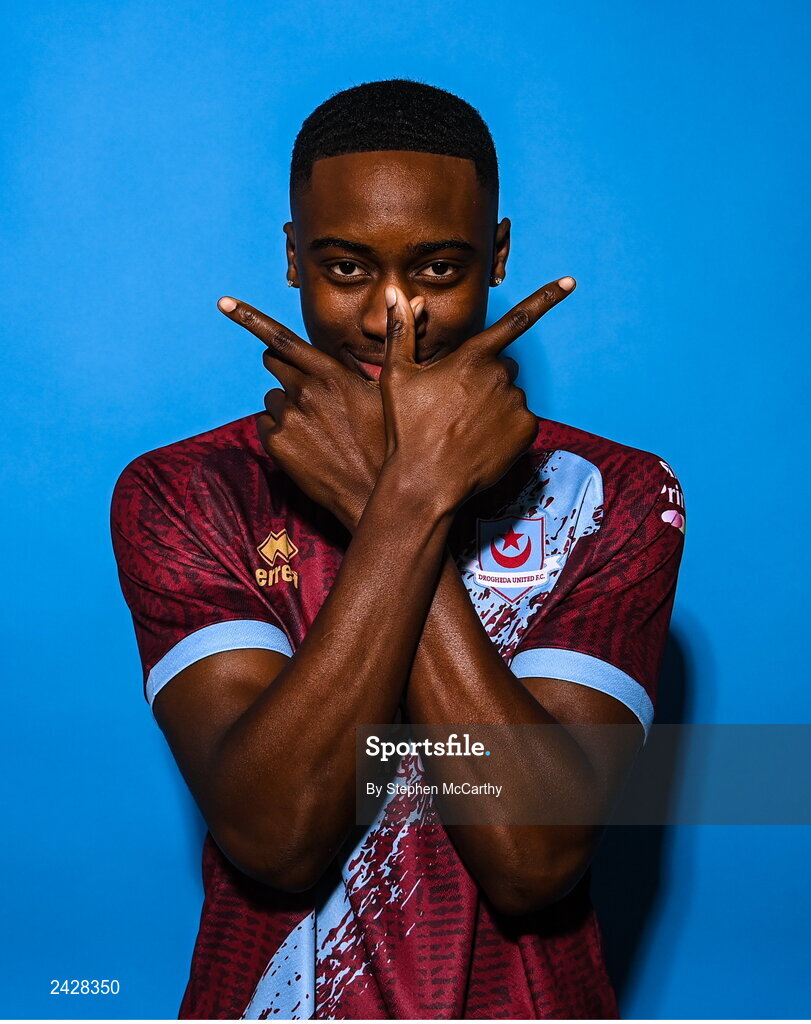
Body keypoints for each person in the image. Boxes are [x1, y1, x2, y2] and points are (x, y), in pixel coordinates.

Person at [110, 78, 686, 1019]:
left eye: (436, 269)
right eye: (345, 269)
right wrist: (410, 496)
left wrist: (395, 492)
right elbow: (280, 833)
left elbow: (530, 855)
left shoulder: (613, 495)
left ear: (496, 257)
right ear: (292, 259)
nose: (392, 316)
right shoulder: (188, 492)